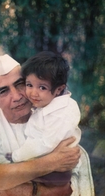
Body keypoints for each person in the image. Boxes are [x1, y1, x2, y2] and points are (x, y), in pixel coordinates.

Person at [0, 54, 80, 196]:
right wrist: (51, 162)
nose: (17, 97)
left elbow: (68, 187)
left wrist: (9, 186)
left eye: (20, 84)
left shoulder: (52, 114)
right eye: (4, 91)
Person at [7, 51, 81, 186]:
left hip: (54, 173)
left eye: (42, 87)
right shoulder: (47, 105)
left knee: (9, 182)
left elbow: (45, 144)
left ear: (59, 89)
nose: (33, 93)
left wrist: (16, 156)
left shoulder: (62, 112)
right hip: (44, 163)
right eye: (29, 85)